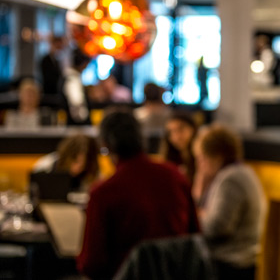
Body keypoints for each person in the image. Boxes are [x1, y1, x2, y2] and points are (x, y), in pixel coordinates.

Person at [77, 111, 199, 279]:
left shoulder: (103, 192)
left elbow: (92, 264)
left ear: (106, 146)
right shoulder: (175, 177)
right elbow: (195, 237)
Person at [192, 125, 266, 280]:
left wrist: (197, 215)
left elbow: (216, 228)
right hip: (236, 262)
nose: (200, 164)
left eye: (202, 158)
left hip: (230, 265)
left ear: (217, 156)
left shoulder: (231, 179)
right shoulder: (240, 172)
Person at [33, 133, 100, 192]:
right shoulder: (45, 166)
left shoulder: (93, 171)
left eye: (82, 165)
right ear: (66, 156)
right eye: (75, 161)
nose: (76, 168)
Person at [159, 112, 198, 183]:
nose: (177, 137)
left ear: (193, 128)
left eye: (181, 129)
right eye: (171, 132)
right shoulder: (170, 160)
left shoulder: (201, 160)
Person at [63, 49, 91, 125]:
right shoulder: (73, 79)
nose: (86, 67)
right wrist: (84, 121)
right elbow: (77, 103)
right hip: (77, 126)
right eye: (86, 64)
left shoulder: (71, 77)